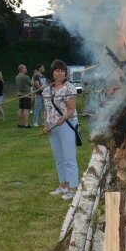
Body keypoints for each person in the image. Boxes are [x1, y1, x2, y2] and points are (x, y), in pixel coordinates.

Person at [42, 59, 78, 200]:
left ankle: (73, 189)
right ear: (52, 72)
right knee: (59, 158)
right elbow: (47, 109)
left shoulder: (70, 88)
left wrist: (63, 118)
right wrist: (46, 125)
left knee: (69, 158)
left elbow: (71, 109)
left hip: (66, 124)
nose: (60, 72)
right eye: (57, 70)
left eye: (62, 70)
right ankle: (62, 186)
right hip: (52, 125)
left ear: (65, 73)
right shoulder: (46, 89)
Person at [15, 64, 32, 128]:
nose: (26, 69)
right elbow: (31, 84)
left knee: (20, 109)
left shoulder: (17, 77)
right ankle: (26, 124)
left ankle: (20, 124)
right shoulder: (26, 77)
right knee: (26, 109)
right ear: (22, 69)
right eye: (25, 68)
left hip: (20, 94)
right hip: (27, 95)